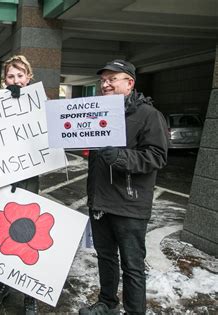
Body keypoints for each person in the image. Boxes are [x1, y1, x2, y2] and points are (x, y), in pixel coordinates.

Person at [79, 60, 168, 315]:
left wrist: (119, 157)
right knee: (106, 258)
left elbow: (157, 156)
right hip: (100, 202)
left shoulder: (149, 115)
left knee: (132, 265)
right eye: (103, 80)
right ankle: (107, 303)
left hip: (129, 204)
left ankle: (134, 311)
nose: (105, 84)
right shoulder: (97, 113)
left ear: (129, 83)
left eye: (112, 79)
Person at [0, 55, 40, 315]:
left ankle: (30, 295)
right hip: (1, 181)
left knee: (28, 236)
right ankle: (2, 285)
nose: (15, 80)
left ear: (28, 78)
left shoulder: (40, 104)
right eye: (10, 76)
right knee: (3, 235)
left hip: (28, 181)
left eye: (20, 76)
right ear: (4, 80)